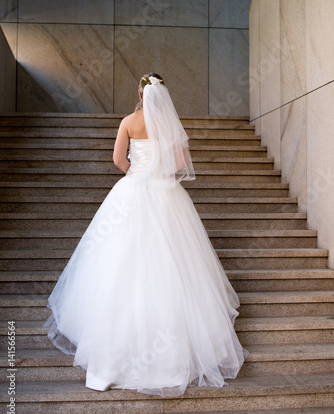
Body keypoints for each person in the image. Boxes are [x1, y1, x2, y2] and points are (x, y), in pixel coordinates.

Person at [43, 73, 248, 397]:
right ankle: (170, 358)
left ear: (140, 94)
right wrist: (158, 174)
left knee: (118, 265)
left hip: (132, 193)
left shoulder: (128, 121)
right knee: (173, 267)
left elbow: (117, 159)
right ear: (160, 96)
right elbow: (180, 162)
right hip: (166, 195)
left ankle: (113, 359)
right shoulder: (168, 125)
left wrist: (136, 174)